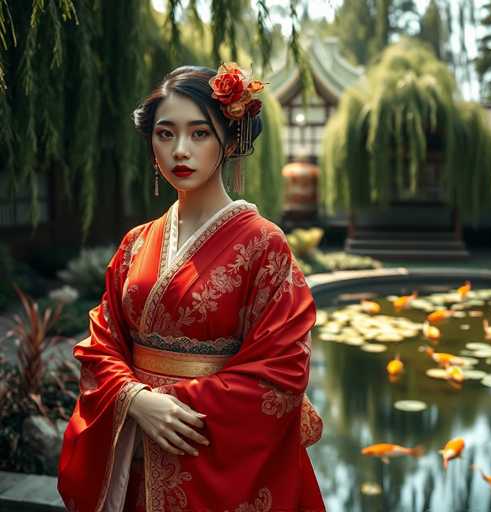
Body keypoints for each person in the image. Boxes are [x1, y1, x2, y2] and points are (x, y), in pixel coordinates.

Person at [57, 63, 325, 512]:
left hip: (203, 453)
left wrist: (166, 407)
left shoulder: (264, 244)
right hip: (136, 454)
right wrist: (134, 401)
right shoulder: (135, 243)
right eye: (165, 134)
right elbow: (101, 343)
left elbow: (281, 372)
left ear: (229, 138)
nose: (180, 150)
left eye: (199, 133)